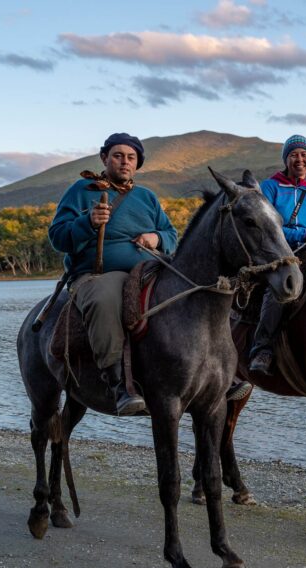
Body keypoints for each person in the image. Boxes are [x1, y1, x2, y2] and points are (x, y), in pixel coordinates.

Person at [48, 133, 178, 414]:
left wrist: (156, 238)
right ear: (104, 158)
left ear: (137, 164)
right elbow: (57, 237)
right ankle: (118, 383)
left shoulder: (147, 196)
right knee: (104, 298)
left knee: (192, 294)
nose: (125, 162)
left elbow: (171, 233)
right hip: (97, 275)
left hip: (150, 269)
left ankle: (210, 374)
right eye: (118, 156)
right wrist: (88, 222)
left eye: (131, 157)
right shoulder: (81, 190)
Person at [246, 134, 306, 377]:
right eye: (294, 154)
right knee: (279, 290)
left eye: (304, 154)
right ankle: (262, 349)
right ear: (286, 160)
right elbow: (266, 227)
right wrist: (303, 234)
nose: (299, 159)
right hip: (277, 252)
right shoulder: (270, 187)